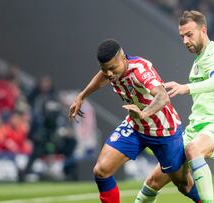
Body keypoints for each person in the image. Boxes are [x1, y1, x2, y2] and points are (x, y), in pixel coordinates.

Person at [68, 39, 199, 203]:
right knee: (101, 170)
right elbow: (102, 76)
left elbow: (163, 97)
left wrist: (144, 114)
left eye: (112, 68)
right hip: (135, 127)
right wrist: (82, 96)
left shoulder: (140, 70)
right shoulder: (112, 70)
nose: (109, 73)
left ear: (123, 59)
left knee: (183, 184)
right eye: (105, 69)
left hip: (164, 130)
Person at [135, 10, 214, 203]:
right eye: (182, 36)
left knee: (193, 149)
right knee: (154, 180)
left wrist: (185, 88)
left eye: (189, 34)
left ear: (203, 30)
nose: (185, 40)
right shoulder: (198, 61)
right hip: (195, 128)